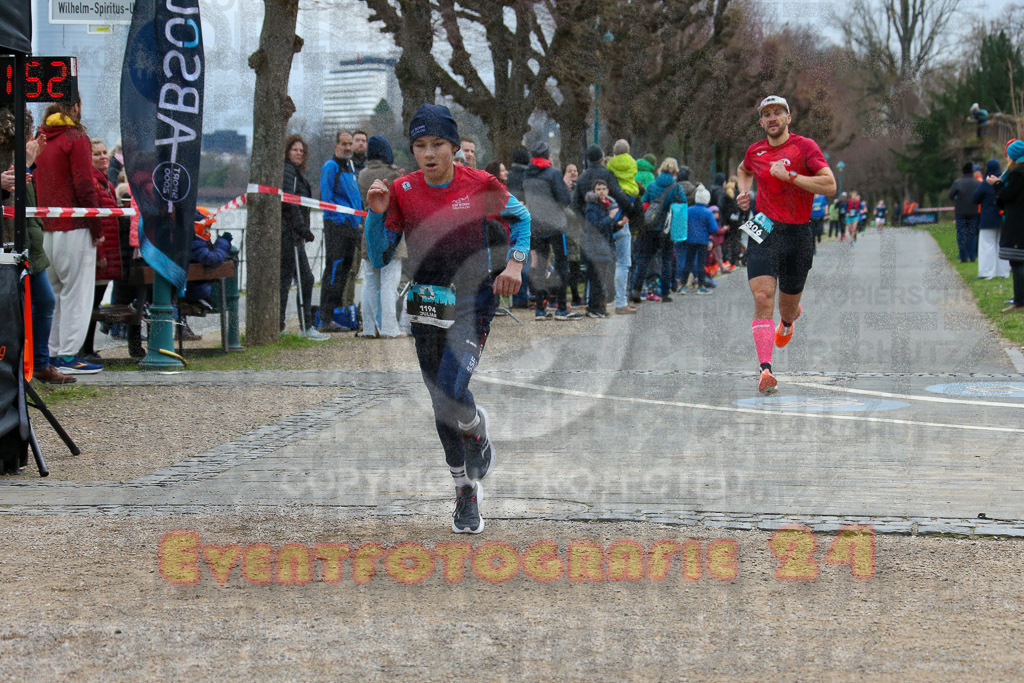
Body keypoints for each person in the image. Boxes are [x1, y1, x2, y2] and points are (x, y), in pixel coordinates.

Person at [364, 103, 531, 533]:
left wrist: (514, 265)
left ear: (454, 147)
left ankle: (474, 428)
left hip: (473, 301)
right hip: (427, 305)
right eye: (420, 145)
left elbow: (521, 218)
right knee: (440, 403)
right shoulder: (402, 189)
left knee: (452, 392)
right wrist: (376, 214)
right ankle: (464, 492)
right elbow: (379, 255)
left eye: (437, 143)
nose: (428, 153)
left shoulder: (480, 183)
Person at [736, 95, 836, 394]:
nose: (772, 118)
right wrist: (744, 192)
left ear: (788, 118)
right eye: (766, 114)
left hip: (798, 234)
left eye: (778, 112)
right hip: (764, 230)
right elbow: (744, 170)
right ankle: (765, 370)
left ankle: (789, 321)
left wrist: (791, 176)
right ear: (761, 122)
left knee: (787, 308)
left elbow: (829, 185)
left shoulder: (805, 147)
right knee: (762, 296)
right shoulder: (755, 151)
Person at [1, 112, 75, 384]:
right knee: (19, 306)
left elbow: (23, 195)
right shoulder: (12, 159)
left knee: (44, 301)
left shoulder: (18, 157)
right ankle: (24, 366)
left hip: (31, 243)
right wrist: (26, 164)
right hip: (14, 244)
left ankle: (39, 364)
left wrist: (28, 164)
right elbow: (13, 194)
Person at [33, 97, 103, 375]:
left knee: (51, 296)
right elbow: (84, 184)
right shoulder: (75, 137)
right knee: (77, 294)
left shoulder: (40, 137)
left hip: (45, 228)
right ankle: (69, 355)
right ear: (75, 107)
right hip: (75, 225)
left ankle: (49, 354)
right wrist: (96, 227)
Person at [78, 138, 126, 362]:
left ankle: (87, 348)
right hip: (100, 252)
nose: (103, 157)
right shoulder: (93, 183)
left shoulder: (105, 183)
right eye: (96, 154)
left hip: (108, 251)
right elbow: (94, 221)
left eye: (105, 152)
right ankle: (84, 349)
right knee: (90, 304)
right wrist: (100, 254)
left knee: (94, 304)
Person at [574, 144, 634, 312]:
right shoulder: (607, 174)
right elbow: (619, 194)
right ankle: (611, 302)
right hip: (609, 223)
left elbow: (575, 204)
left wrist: (584, 222)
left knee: (592, 268)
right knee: (615, 264)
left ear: (587, 159)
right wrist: (627, 211)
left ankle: (590, 301)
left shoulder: (582, 178)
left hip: (590, 228)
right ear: (601, 158)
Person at [357, 135, 407, 338]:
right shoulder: (392, 174)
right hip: (391, 234)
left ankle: (369, 328)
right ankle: (389, 328)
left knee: (369, 282)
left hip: (370, 231)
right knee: (389, 283)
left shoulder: (362, 175)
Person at [523, 141, 579, 320]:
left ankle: (540, 308)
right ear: (548, 155)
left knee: (540, 266)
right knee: (562, 263)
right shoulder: (553, 173)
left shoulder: (527, 174)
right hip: (555, 225)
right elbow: (565, 199)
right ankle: (562, 307)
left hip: (536, 225)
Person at [280, 134, 328, 339]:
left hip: (294, 234)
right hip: (289, 234)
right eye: (295, 150)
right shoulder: (288, 171)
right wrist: (303, 230)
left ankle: (298, 326)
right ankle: (297, 327)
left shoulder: (295, 173)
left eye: (302, 151)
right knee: (299, 279)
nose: (299, 153)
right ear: (287, 152)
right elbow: (289, 204)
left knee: (298, 279)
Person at [318, 129, 363, 333]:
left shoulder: (350, 166)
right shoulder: (331, 167)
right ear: (336, 146)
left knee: (345, 272)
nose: (347, 147)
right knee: (334, 272)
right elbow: (327, 199)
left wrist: (356, 222)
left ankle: (334, 315)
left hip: (352, 228)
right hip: (336, 227)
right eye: (344, 144)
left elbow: (354, 197)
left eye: (349, 144)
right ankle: (325, 318)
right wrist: (341, 220)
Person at [632, 157, 685, 305]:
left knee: (644, 258)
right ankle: (665, 293)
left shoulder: (652, 185)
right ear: (675, 172)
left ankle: (636, 290)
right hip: (667, 229)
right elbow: (682, 209)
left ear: (661, 169)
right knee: (666, 259)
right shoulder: (677, 188)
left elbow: (645, 204)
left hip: (650, 227)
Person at [581, 178, 624, 317]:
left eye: (603, 189)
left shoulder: (606, 205)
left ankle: (600, 308)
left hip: (605, 248)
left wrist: (618, 225)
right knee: (596, 280)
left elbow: (607, 228)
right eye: (598, 189)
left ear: (607, 191)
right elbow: (594, 226)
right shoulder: (592, 206)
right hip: (595, 248)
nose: (601, 192)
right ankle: (593, 308)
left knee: (602, 280)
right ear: (594, 191)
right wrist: (610, 217)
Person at [990, 141, 1024, 311]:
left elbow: (1007, 195)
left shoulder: (1017, 174)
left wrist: (997, 184)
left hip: (1017, 223)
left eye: (1009, 155)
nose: (1007, 158)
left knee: (1017, 262)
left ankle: (1020, 301)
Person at [973, 159, 1011, 280]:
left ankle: (987, 272)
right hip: (1003, 218)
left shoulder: (985, 183)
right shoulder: (1004, 181)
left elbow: (975, 199)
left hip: (988, 219)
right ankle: (1003, 272)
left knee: (987, 245)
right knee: (1002, 245)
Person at [681, 185, 716, 294]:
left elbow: (683, 223)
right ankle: (700, 286)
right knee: (701, 263)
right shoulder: (708, 212)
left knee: (688, 262)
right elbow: (714, 228)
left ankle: (683, 286)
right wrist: (707, 233)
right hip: (703, 240)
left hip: (690, 239)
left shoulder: (689, 210)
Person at [950, 162, 982, 263]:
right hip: (973, 212)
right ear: (972, 171)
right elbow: (981, 195)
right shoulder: (977, 183)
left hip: (960, 212)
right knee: (972, 234)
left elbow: (951, 195)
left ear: (963, 171)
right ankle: (972, 256)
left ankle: (963, 257)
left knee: (961, 234)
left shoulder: (957, 182)